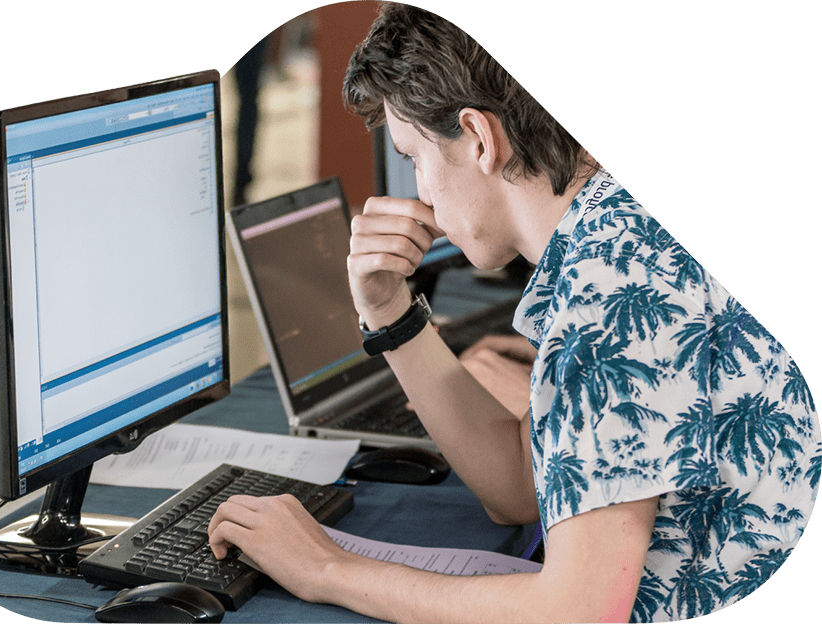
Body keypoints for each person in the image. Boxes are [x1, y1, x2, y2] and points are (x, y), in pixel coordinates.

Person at [209, 4, 821, 622]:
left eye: (414, 157)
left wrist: (326, 569)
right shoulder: (618, 231)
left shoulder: (606, 295)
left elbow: (577, 612)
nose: (418, 191)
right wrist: (390, 312)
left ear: (478, 138)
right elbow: (517, 488)